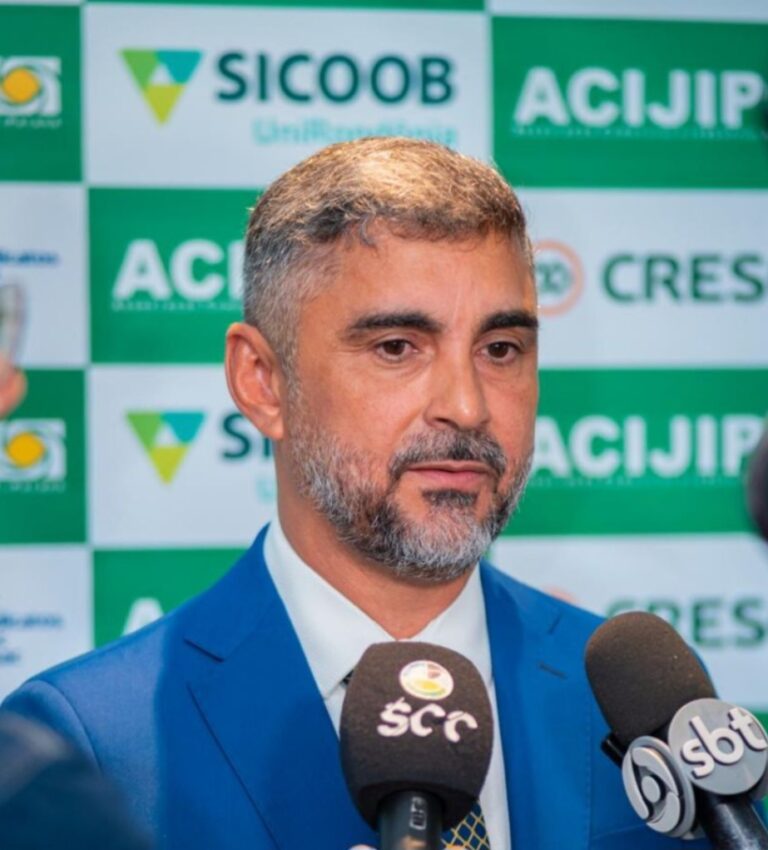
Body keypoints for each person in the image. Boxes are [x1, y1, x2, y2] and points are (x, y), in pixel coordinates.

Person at [2, 138, 706, 850]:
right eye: (396, 347)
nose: (467, 407)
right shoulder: (85, 743)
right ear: (262, 382)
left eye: (500, 350)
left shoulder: (637, 703)